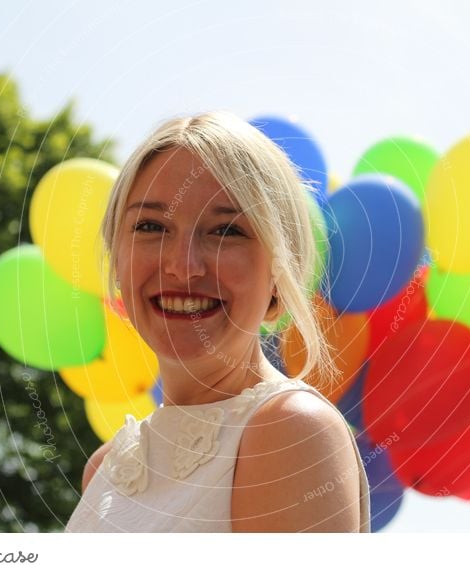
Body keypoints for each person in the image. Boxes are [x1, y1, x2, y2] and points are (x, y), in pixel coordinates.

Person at [64, 111, 371, 532]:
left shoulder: (291, 431)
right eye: (151, 226)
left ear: (280, 277)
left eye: (226, 231)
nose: (182, 265)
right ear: (117, 261)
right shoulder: (103, 468)